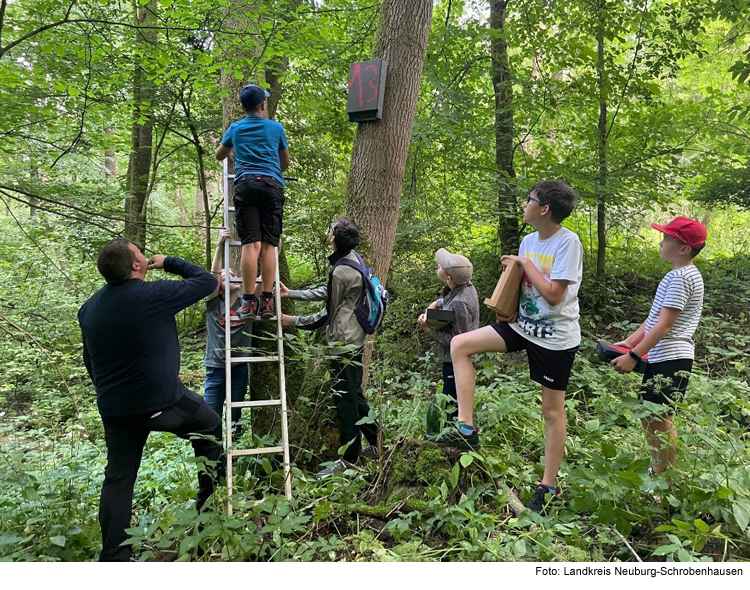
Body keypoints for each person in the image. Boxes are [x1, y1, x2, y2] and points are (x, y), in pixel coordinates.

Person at [427, 180, 582, 514]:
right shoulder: (528, 240)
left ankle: (548, 486)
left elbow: (555, 294)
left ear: (544, 210)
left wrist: (526, 265)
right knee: (461, 344)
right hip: (521, 325)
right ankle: (465, 428)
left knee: (552, 411)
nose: (524, 204)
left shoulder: (568, 243)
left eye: (530, 200)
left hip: (554, 338)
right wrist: (508, 304)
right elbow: (526, 288)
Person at [78, 238, 222, 561]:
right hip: (163, 403)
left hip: (115, 410)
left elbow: (90, 360)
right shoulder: (152, 296)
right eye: (140, 254)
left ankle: (114, 557)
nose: (145, 256)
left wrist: (110, 393)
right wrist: (169, 261)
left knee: (118, 477)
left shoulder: (89, 309)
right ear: (136, 265)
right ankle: (208, 513)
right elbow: (207, 281)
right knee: (210, 426)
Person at [279, 217, 380, 478]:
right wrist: (293, 294)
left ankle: (350, 458)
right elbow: (329, 291)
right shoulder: (353, 258)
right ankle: (378, 443)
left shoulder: (341, 270)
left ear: (334, 238)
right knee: (355, 396)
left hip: (342, 343)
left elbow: (327, 313)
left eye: (332, 230)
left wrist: (294, 321)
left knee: (345, 402)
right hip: (355, 338)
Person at [610, 216, 706, 478]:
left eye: (667, 239)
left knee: (660, 419)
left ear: (684, 248)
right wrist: (630, 342)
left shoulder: (681, 278)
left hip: (672, 357)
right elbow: (654, 319)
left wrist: (633, 355)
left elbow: (664, 326)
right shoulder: (680, 275)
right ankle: (660, 472)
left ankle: (665, 478)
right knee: (649, 414)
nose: (661, 243)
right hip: (666, 357)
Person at [215, 83, 291, 321]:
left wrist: (235, 145)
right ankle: (266, 300)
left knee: (251, 244)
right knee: (269, 244)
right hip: (272, 185)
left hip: (246, 185)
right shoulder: (276, 128)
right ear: (263, 104)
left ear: (242, 106)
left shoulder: (236, 128)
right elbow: (285, 162)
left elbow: (219, 155)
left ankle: (248, 302)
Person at [418, 248, 480, 425]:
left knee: (452, 405)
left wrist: (429, 330)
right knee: (452, 401)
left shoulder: (461, 303)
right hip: (454, 360)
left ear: (449, 278)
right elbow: (447, 301)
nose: (438, 265)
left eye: (441, 266)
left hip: (456, 362)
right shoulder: (465, 286)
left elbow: (459, 341)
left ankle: (455, 440)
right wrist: (435, 305)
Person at [203, 228, 253, 428]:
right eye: (225, 277)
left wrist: (275, 244)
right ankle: (214, 456)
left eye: (232, 274)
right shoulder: (214, 304)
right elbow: (212, 278)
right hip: (216, 368)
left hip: (239, 368)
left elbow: (262, 276)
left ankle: (235, 455)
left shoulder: (247, 304)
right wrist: (218, 246)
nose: (230, 277)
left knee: (235, 417)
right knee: (210, 417)